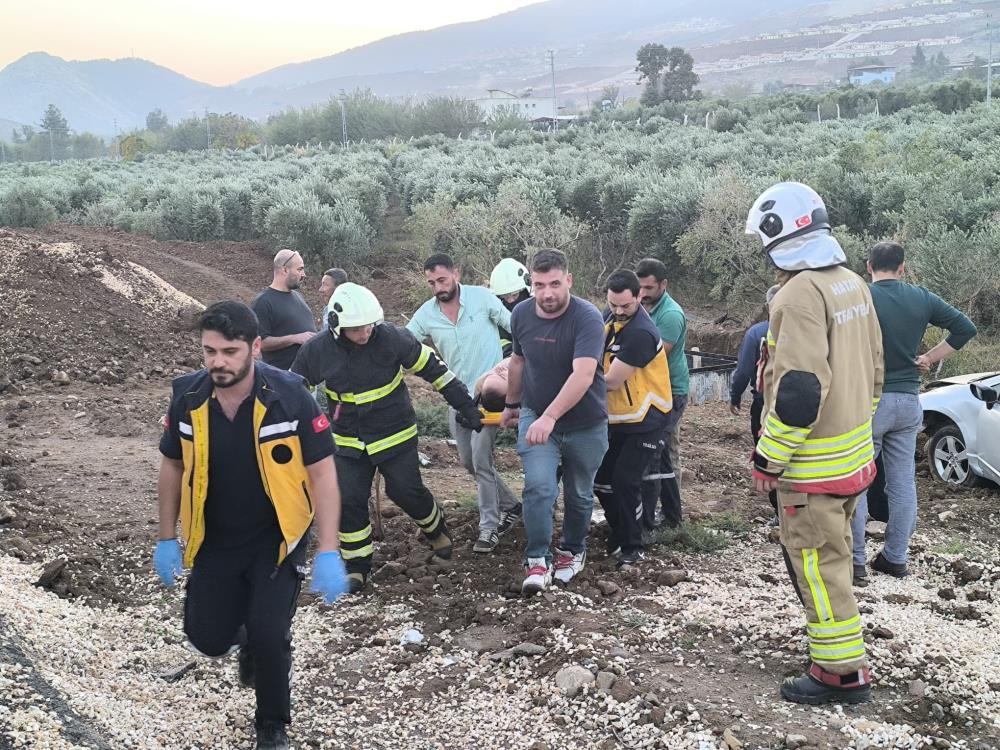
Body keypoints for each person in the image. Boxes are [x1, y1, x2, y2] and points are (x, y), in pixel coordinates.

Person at [153, 301, 348, 750]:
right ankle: (243, 638)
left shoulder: (290, 396)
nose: (218, 362)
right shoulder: (188, 396)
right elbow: (171, 465)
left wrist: (329, 548)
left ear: (255, 348)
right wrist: (167, 537)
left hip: (276, 539)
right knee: (206, 638)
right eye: (209, 352)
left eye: (229, 352)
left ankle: (272, 725)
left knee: (270, 632)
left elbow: (322, 474)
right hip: (214, 538)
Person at [746, 181, 883, 705]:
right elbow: (873, 369)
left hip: (811, 470)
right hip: (851, 459)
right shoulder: (851, 283)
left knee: (819, 568)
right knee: (836, 560)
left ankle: (839, 673)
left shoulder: (799, 294)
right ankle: (837, 658)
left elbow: (800, 390)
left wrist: (769, 457)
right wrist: (858, 432)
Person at [291, 282, 483, 593]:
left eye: (369, 326)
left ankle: (435, 527)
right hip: (348, 441)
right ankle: (357, 566)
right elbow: (294, 390)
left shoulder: (393, 338)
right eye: (357, 329)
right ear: (337, 326)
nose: (365, 333)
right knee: (349, 499)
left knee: (405, 491)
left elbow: (434, 370)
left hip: (395, 433)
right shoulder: (317, 351)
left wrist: (465, 405)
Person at [850, 242, 976, 583]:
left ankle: (856, 562)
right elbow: (965, 328)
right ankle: (895, 557)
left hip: (869, 401)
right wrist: (929, 358)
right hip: (909, 402)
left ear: (868, 266)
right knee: (902, 481)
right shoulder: (922, 297)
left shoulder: (860, 298)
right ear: (902, 267)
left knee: (857, 483)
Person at [501, 249, 608, 594]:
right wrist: (512, 404)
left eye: (555, 284)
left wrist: (550, 416)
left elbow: (584, 373)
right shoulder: (520, 314)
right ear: (530, 283)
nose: (547, 293)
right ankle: (536, 560)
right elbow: (517, 361)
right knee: (539, 487)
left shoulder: (587, 317)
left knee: (579, 493)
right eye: (539, 285)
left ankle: (573, 550)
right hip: (536, 416)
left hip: (585, 422)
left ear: (569, 281)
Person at [407, 254, 521, 554]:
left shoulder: (482, 298)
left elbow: (517, 325)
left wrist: (516, 364)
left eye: (442, 280)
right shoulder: (426, 314)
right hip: (457, 397)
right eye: (431, 283)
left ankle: (489, 528)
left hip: (491, 396)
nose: (437, 287)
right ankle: (511, 504)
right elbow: (404, 343)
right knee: (468, 462)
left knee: (482, 461)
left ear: (456, 274)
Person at [595, 269, 672, 567]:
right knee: (602, 482)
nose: (618, 311)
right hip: (618, 418)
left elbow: (611, 381)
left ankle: (633, 545)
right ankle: (621, 530)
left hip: (647, 420)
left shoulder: (641, 331)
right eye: (613, 305)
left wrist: (573, 382)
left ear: (639, 295)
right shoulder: (609, 317)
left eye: (625, 306)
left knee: (625, 481)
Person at [635, 258, 689, 529]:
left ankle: (647, 524)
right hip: (651, 392)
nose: (643, 293)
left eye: (648, 288)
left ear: (663, 285)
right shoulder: (640, 304)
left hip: (672, 392)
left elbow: (652, 356)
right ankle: (672, 517)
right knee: (664, 453)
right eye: (640, 287)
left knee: (652, 452)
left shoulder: (670, 315)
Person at [729, 285, 781, 441]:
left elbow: (743, 372)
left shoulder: (756, 333)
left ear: (767, 306)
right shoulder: (805, 330)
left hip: (765, 401)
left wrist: (735, 398)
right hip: (799, 404)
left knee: (763, 452)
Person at [251, 249, 317, 369]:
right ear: (285, 270)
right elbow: (261, 343)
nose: (304, 274)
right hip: (281, 379)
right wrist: (295, 338)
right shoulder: (263, 302)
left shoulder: (298, 296)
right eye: (299, 269)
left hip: (306, 377)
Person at [489, 257, 532, 356]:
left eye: (514, 295)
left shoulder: (540, 308)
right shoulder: (496, 313)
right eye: (505, 297)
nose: (510, 300)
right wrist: (509, 354)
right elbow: (500, 340)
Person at [318, 268, 349, 332]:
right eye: (322, 284)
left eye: (325, 285)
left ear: (339, 288)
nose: (320, 289)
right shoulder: (327, 309)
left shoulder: (349, 313)